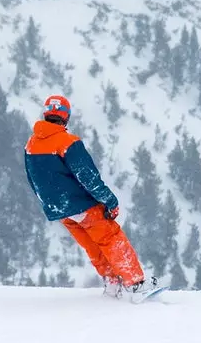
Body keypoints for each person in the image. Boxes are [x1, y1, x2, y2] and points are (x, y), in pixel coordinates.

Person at [23, 94, 154, 296]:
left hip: (61, 211)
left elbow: (33, 180)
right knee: (111, 238)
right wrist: (110, 201)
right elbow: (89, 178)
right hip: (81, 205)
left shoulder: (31, 145)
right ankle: (136, 284)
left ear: (46, 114)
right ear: (66, 117)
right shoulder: (68, 142)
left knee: (92, 246)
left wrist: (50, 204)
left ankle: (112, 284)